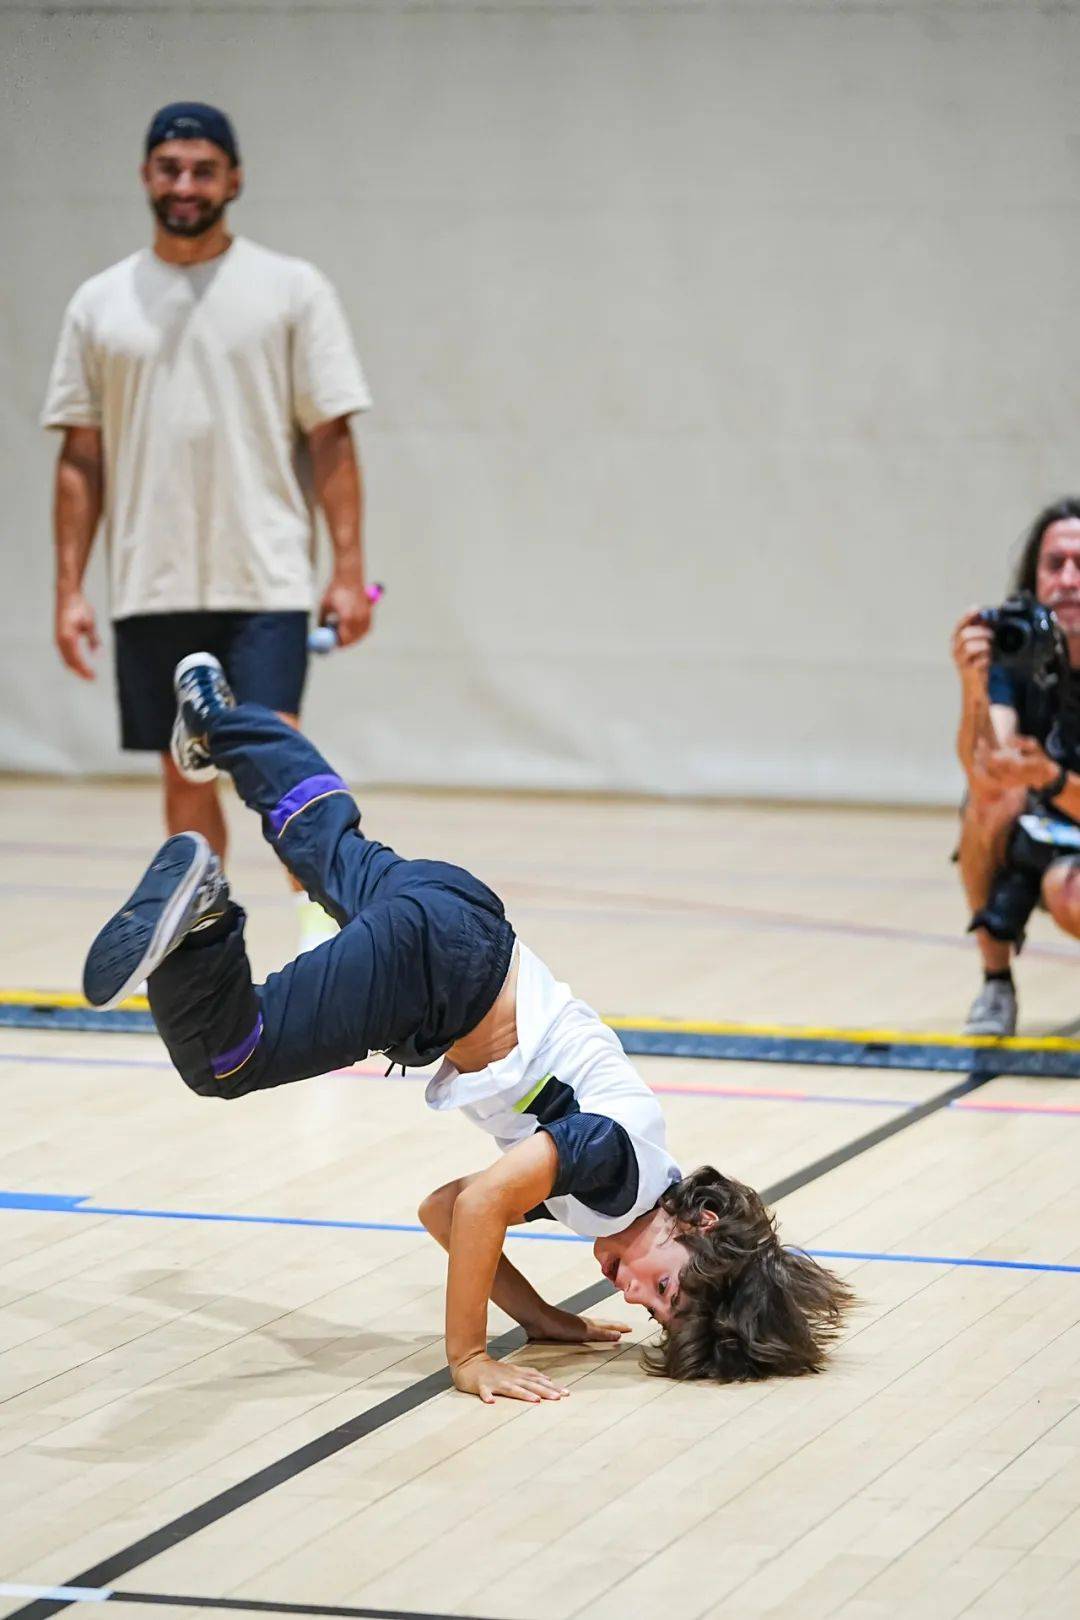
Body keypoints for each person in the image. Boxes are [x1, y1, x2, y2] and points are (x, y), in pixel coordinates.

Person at [82, 654, 853, 1404]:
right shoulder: (615, 1163)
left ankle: (221, 723)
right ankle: (206, 921)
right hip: (439, 979)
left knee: (319, 836)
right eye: (663, 1286)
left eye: (649, 1312)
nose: (631, 1294)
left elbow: (442, 1211)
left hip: (458, 917)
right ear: (702, 1221)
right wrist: (472, 1355)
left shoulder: (604, 1189)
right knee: (228, 1059)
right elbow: (479, 1208)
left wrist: (540, 1317)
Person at [42, 101, 374, 951]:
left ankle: (323, 940)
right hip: (151, 583)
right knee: (183, 767)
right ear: (147, 175)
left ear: (234, 179)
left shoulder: (291, 289)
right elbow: (80, 458)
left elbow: (331, 436)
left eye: (202, 168)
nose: (185, 184)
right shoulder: (100, 302)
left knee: (277, 758)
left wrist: (346, 570)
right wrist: (69, 589)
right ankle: (206, 945)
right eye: (169, 168)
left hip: (262, 573)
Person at [953, 498, 1080, 1035]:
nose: (1068, 580)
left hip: (1063, 804)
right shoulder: (1019, 644)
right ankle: (996, 984)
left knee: (1068, 898)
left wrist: (1048, 777)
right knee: (985, 800)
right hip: (1046, 821)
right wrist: (973, 685)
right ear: (1035, 575)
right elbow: (987, 770)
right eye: (1055, 564)